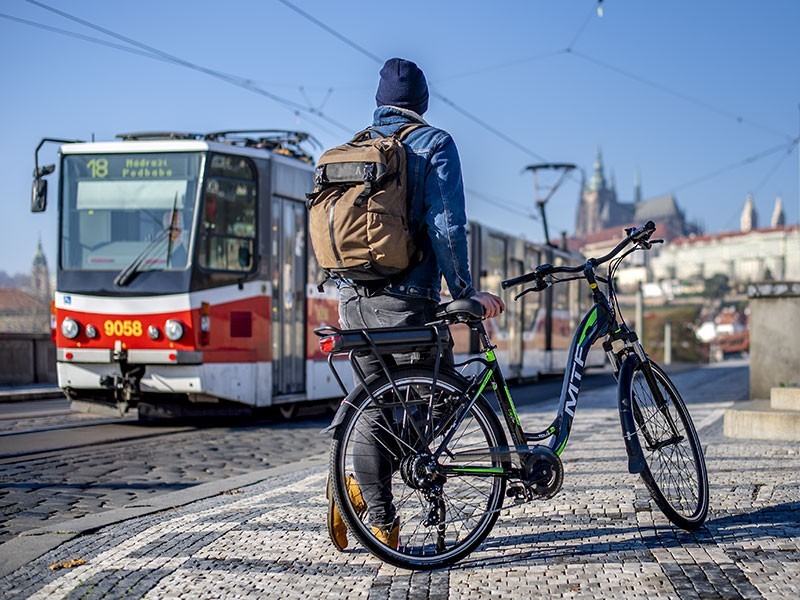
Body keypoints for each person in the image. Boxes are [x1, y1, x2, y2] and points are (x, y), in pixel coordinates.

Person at [328, 57, 505, 551]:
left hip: (352, 300)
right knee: (437, 403)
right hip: (408, 301)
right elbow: (447, 227)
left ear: (380, 101)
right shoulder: (434, 144)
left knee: (377, 402)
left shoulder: (356, 148)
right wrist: (465, 292)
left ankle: (373, 511)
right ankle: (360, 492)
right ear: (422, 103)